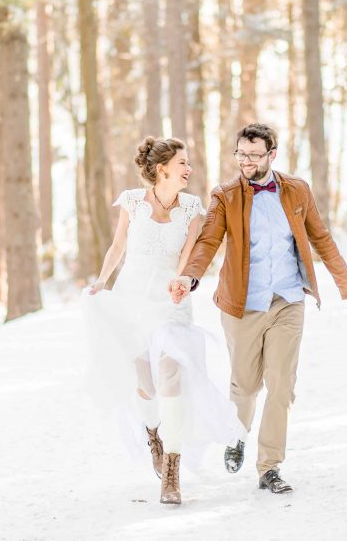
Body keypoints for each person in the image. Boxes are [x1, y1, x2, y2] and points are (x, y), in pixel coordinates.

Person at [170, 123, 347, 494]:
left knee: (281, 385)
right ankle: (236, 434)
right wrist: (188, 278)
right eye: (240, 153)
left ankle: (269, 466)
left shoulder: (296, 190)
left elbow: (321, 238)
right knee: (244, 386)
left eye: (253, 155)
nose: (244, 161)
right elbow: (208, 242)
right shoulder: (225, 196)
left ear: (272, 155)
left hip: (288, 300)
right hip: (243, 304)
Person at [84, 136, 245, 505]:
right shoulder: (131, 202)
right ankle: (153, 433)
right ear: (162, 169)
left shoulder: (192, 208)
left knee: (171, 375)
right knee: (147, 385)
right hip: (132, 300)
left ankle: (172, 468)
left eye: (189, 163)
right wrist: (102, 280)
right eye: (183, 163)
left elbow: (188, 257)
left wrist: (181, 284)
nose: (189, 169)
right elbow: (118, 246)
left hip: (170, 303)